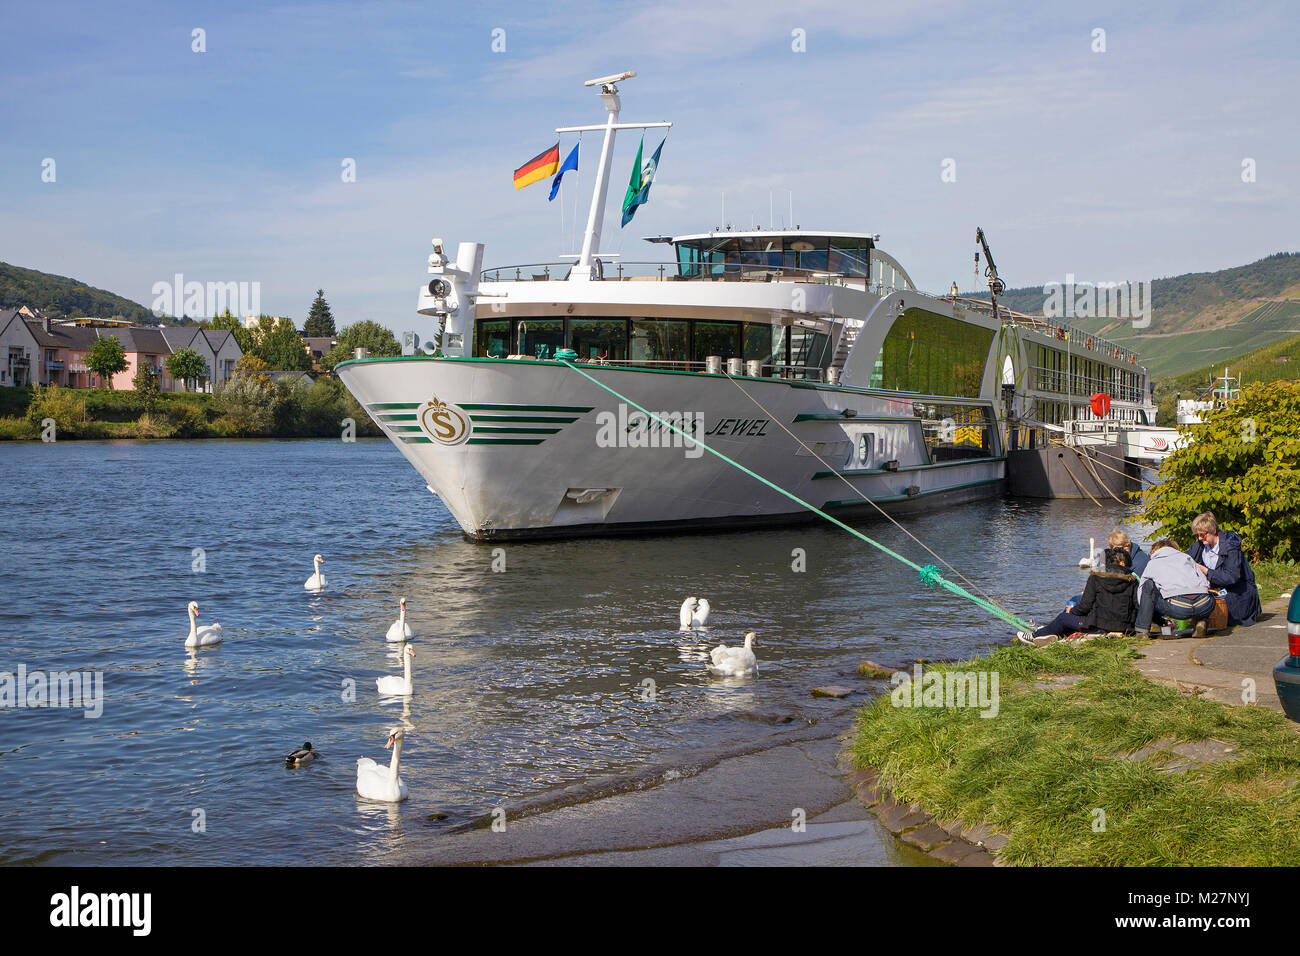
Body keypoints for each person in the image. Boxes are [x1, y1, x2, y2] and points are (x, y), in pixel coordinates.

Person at [1022, 547, 1138, 643]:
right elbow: (1136, 606)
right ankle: (1053, 636)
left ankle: (1035, 636)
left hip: (1098, 626)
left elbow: (1085, 606)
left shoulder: (1096, 577)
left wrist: (1071, 611)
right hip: (1124, 627)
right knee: (1074, 619)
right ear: (1123, 564)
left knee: (1063, 618)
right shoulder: (1132, 581)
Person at [1185, 512, 1261, 627]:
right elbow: (1185, 558)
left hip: (1237, 593)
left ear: (1213, 531)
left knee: (1219, 615)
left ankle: (1204, 621)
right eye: (1197, 535)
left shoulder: (1231, 547)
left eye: (1202, 535)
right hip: (1216, 591)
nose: (1200, 538)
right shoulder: (1200, 545)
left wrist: (1205, 570)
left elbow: (1230, 577)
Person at [1134, 539, 1216, 638]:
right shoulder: (1187, 557)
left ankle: (1142, 630)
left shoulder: (1154, 562)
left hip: (1178, 608)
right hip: (1204, 605)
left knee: (1149, 584)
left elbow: (1142, 589)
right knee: (1203, 591)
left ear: (1154, 552)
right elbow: (1205, 582)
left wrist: (1144, 608)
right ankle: (1201, 621)